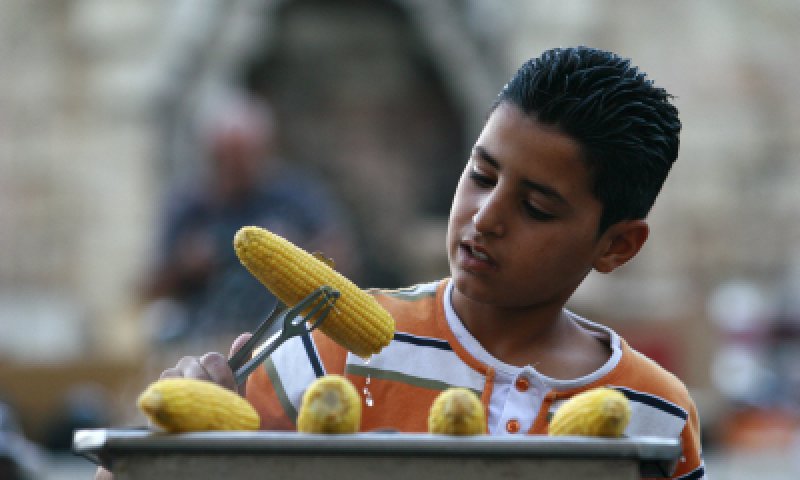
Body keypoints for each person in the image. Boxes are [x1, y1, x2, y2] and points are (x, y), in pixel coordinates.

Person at [97, 46, 704, 479]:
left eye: (537, 207)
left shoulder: (658, 413)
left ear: (616, 245)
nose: (486, 216)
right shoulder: (332, 351)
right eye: (481, 174)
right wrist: (168, 449)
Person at [140, 91, 360, 343]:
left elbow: (343, 260)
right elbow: (150, 287)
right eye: (226, 159)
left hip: (279, 326)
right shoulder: (189, 203)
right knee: (161, 322)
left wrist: (295, 256)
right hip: (203, 330)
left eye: (245, 156)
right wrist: (186, 265)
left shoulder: (296, 196)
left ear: (265, 151)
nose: (236, 167)